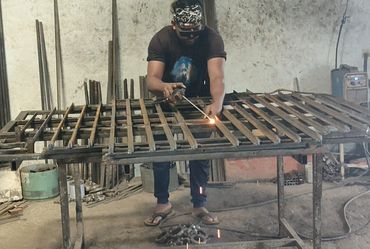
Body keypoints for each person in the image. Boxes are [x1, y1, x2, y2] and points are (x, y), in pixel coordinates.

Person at [144, 0, 226, 226]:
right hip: (166, 99)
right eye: (185, 34)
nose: (191, 38)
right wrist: (165, 88)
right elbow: (152, 79)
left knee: (199, 153)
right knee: (161, 151)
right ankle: (163, 203)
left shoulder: (211, 38)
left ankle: (199, 205)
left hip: (199, 100)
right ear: (173, 25)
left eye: (195, 33)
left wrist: (217, 103)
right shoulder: (161, 39)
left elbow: (217, 76)